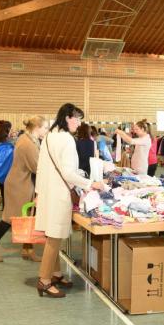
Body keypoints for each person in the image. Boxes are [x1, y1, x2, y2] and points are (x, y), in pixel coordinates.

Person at [35, 104, 106, 298]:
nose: (79, 123)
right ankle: (44, 280)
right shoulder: (66, 139)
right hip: (59, 194)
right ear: (68, 117)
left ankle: (55, 274)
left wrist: (38, 192)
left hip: (48, 192)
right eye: (78, 118)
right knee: (54, 237)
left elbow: (40, 167)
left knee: (53, 235)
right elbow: (68, 173)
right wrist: (91, 183)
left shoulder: (49, 136)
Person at [0, 116, 50, 263]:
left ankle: (28, 249)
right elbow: (37, 167)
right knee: (9, 218)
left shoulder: (29, 140)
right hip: (18, 185)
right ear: (37, 127)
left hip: (23, 183)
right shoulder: (27, 143)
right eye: (45, 128)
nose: (47, 131)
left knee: (28, 217)